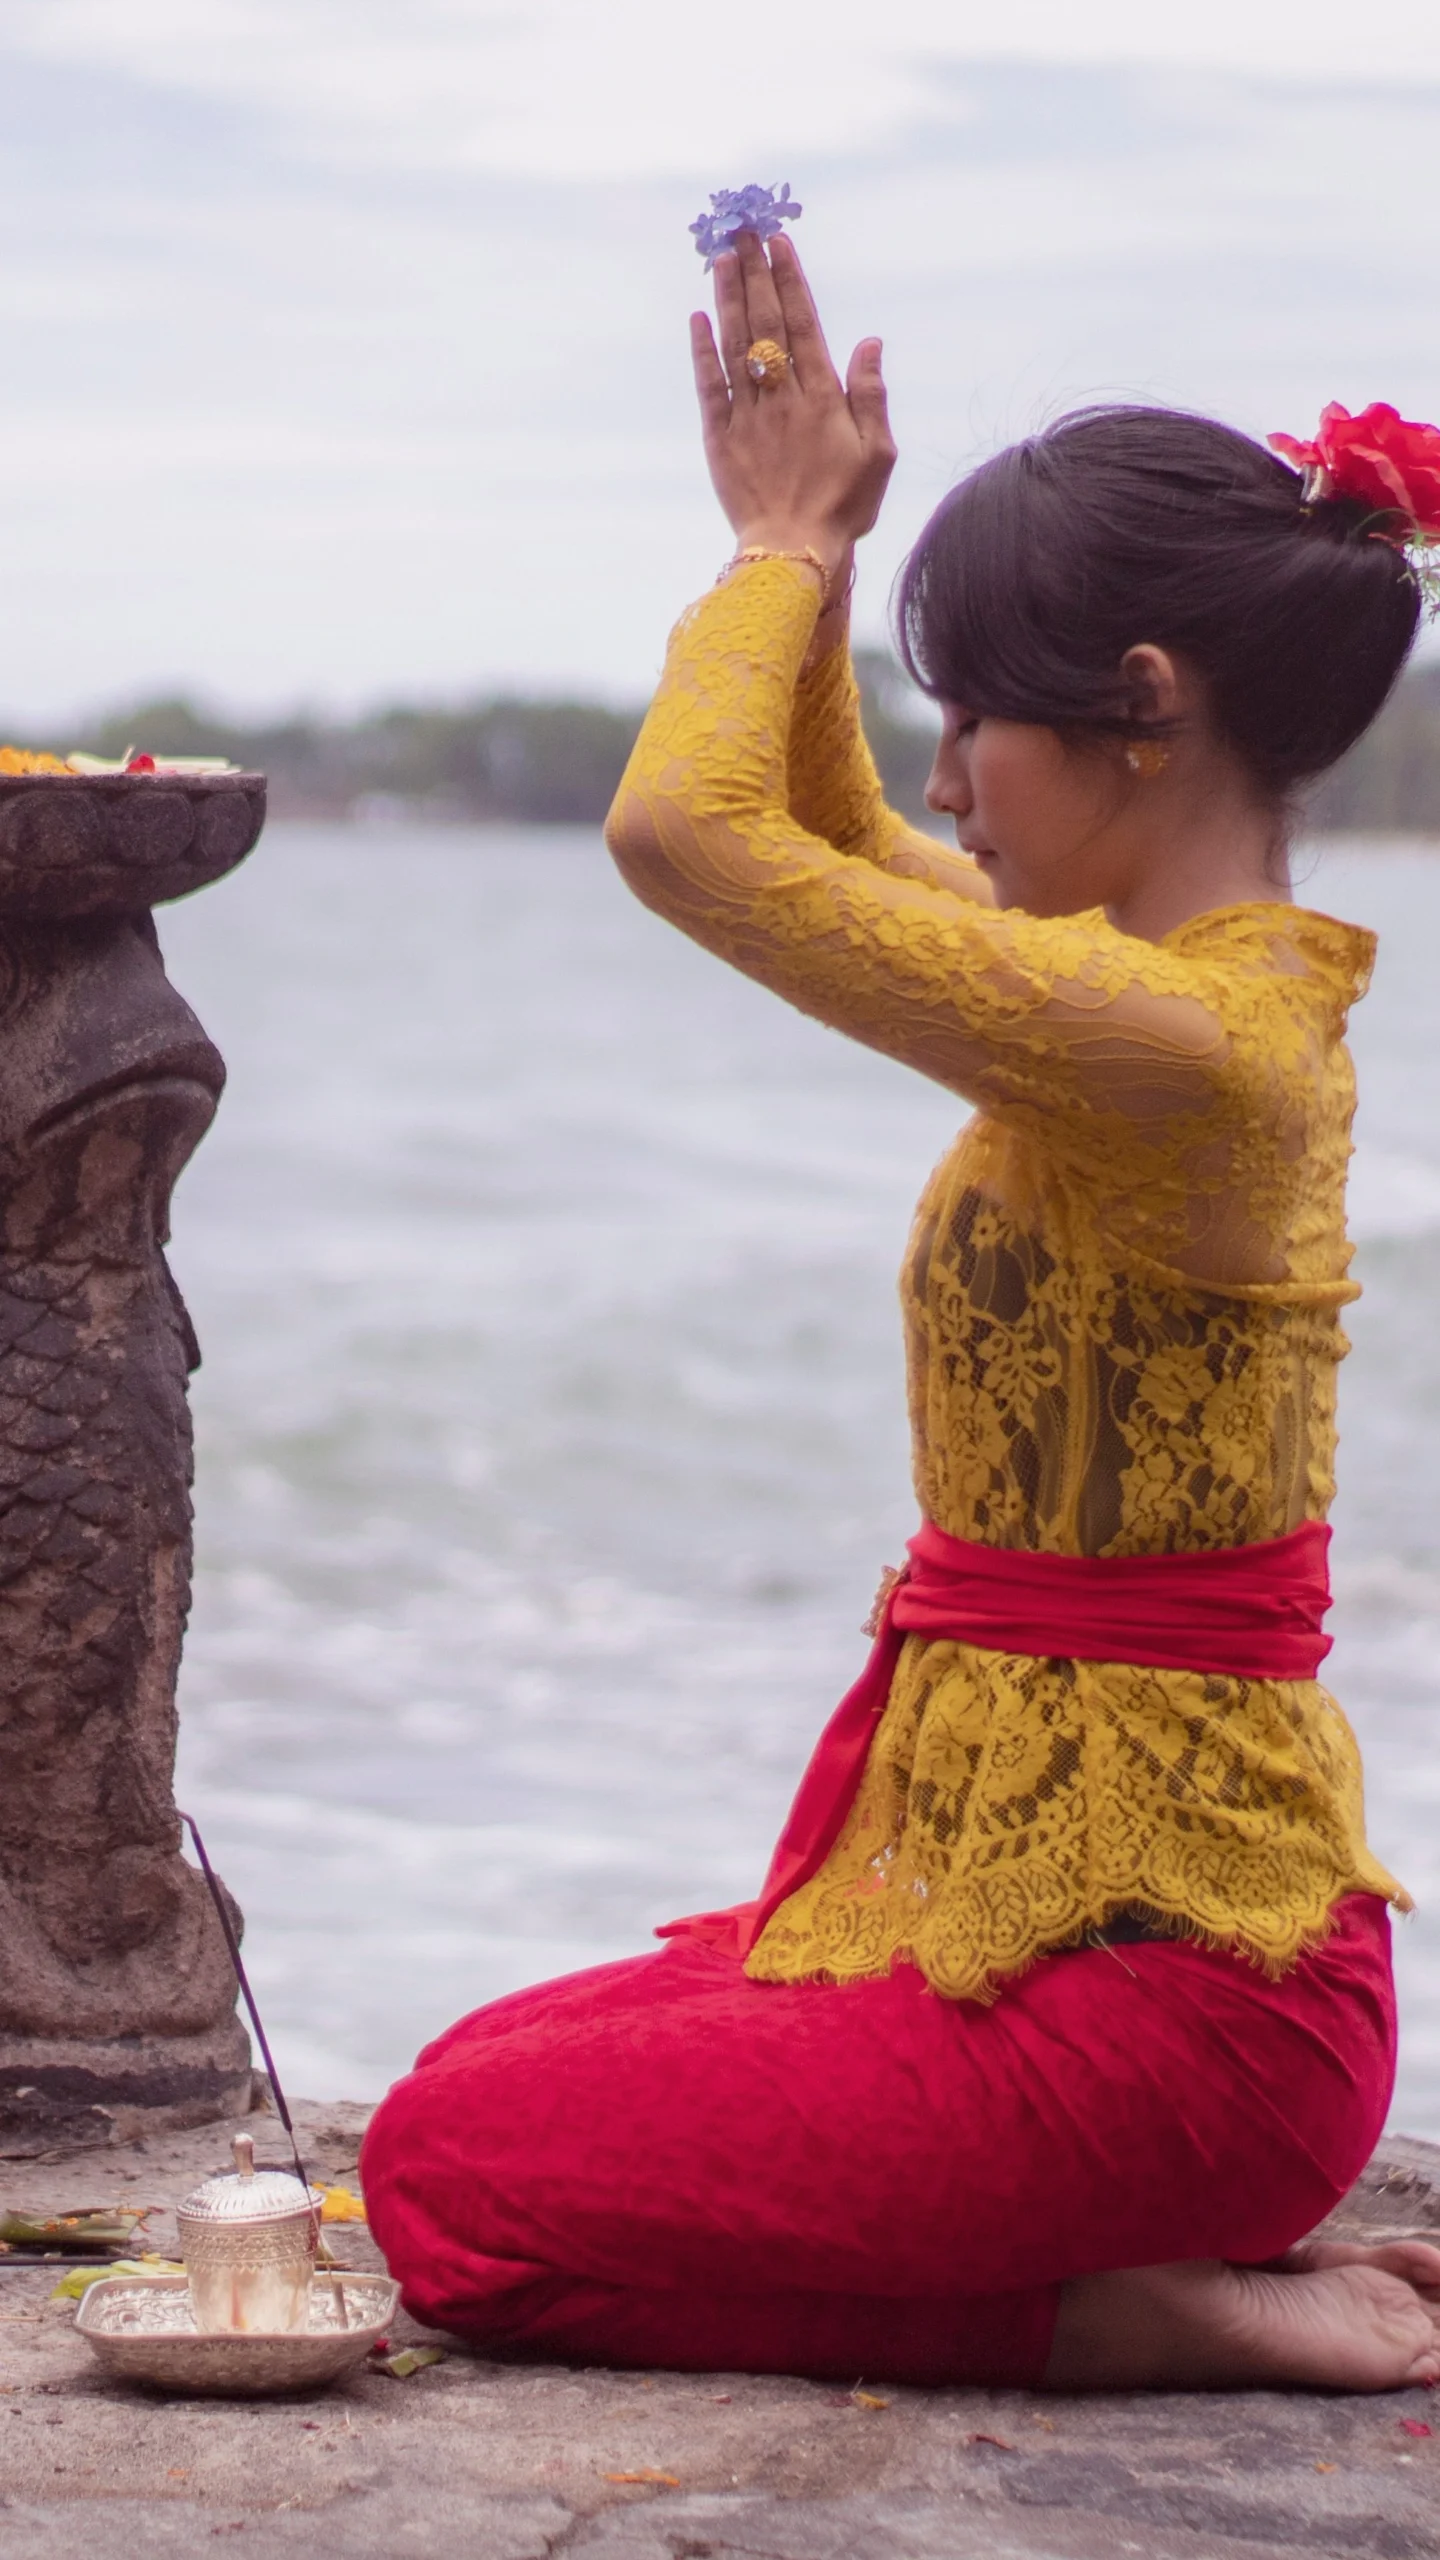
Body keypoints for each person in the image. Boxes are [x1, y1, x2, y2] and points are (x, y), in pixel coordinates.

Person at [362, 234, 1440, 2391]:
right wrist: (812, 552)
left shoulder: (1191, 1046)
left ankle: (1110, 2308)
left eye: (979, 719)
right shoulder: (1122, 988)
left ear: (1143, 704)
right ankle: (1112, 2279)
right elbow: (824, 816)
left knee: (448, 2173)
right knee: (484, 2069)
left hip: (1183, 2006)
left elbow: (690, 827)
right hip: (1033, 1922)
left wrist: (773, 547)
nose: (947, 779)